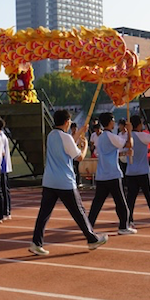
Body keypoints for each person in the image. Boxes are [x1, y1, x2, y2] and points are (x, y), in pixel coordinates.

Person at [29, 109, 108, 256]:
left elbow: (68, 141)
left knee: (44, 214)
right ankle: (92, 239)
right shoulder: (65, 137)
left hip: (50, 181)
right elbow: (78, 157)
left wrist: (80, 133)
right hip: (64, 181)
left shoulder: (52, 135)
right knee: (79, 211)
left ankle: (36, 242)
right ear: (66, 122)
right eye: (70, 121)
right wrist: (84, 147)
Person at [87, 112, 134, 234]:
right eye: (113, 120)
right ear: (109, 121)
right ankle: (123, 226)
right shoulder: (110, 136)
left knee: (97, 203)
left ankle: (88, 225)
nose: (114, 122)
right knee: (121, 203)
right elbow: (129, 144)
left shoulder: (101, 137)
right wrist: (129, 131)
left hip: (102, 175)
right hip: (112, 174)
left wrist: (124, 153)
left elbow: (110, 153)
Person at [0, 117, 12, 220]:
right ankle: (5, 210)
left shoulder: (1, 136)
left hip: (3, 165)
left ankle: (6, 211)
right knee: (3, 188)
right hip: (1, 165)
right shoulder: (0, 136)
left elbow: (2, 152)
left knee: (4, 189)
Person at [70, 122, 82, 187]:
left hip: (77, 155)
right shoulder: (70, 136)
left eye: (75, 128)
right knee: (72, 168)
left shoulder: (80, 137)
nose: (74, 130)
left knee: (78, 169)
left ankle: (78, 182)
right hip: (71, 155)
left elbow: (82, 145)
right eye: (73, 128)